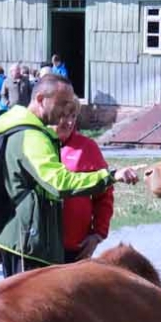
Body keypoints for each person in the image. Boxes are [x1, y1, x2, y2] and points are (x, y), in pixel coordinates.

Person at [0, 75, 136, 276]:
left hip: (30, 243)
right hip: (30, 245)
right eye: (62, 103)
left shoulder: (13, 127)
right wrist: (110, 176)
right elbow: (58, 182)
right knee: (37, 308)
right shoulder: (31, 136)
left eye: (71, 107)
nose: (66, 111)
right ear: (40, 100)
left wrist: (97, 233)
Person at [53, 106, 113, 262]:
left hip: (75, 248)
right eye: (63, 116)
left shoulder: (87, 147)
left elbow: (104, 194)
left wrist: (98, 234)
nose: (69, 122)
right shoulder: (33, 145)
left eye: (73, 116)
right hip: (36, 247)